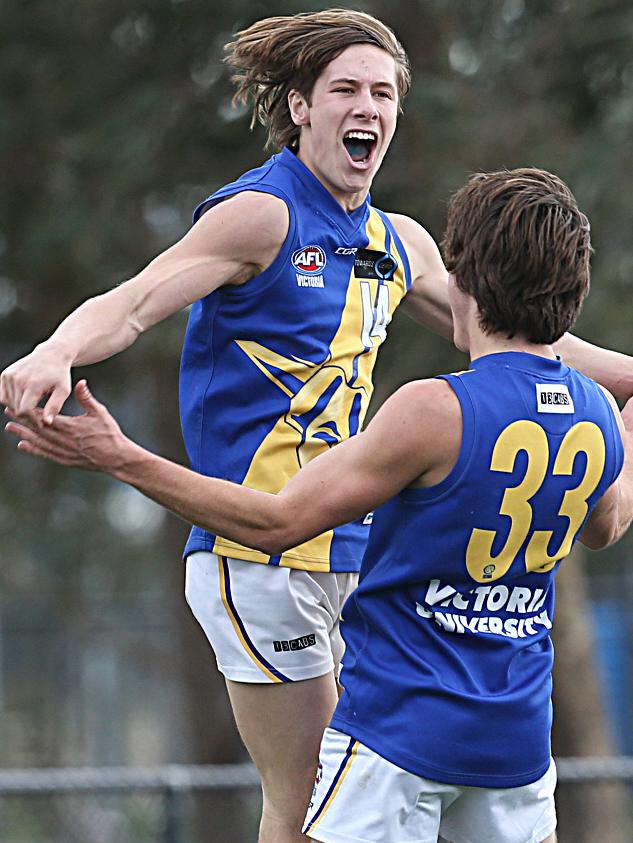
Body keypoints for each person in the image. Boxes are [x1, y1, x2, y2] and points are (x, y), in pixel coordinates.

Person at [2, 9, 633, 841]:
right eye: (344, 89)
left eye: (381, 92)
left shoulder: (395, 241)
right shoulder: (262, 215)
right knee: (305, 801)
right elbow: (137, 300)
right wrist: (56, 350)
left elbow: (525, 334)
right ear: (300, 106)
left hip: (346, 546)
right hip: (255, 550)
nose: (364, 106)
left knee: (347, 799)